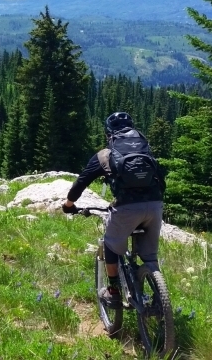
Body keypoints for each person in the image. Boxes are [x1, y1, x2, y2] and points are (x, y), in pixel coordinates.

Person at [62, 112, 165, 308]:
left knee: (110, 244)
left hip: (126, 207)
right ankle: (160, 299)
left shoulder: (105, 154)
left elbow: (82, 182)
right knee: (150, 256)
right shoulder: (146, 151)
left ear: (108, 134)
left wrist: (69, 205)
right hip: (154, 205)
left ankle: (114, 291)